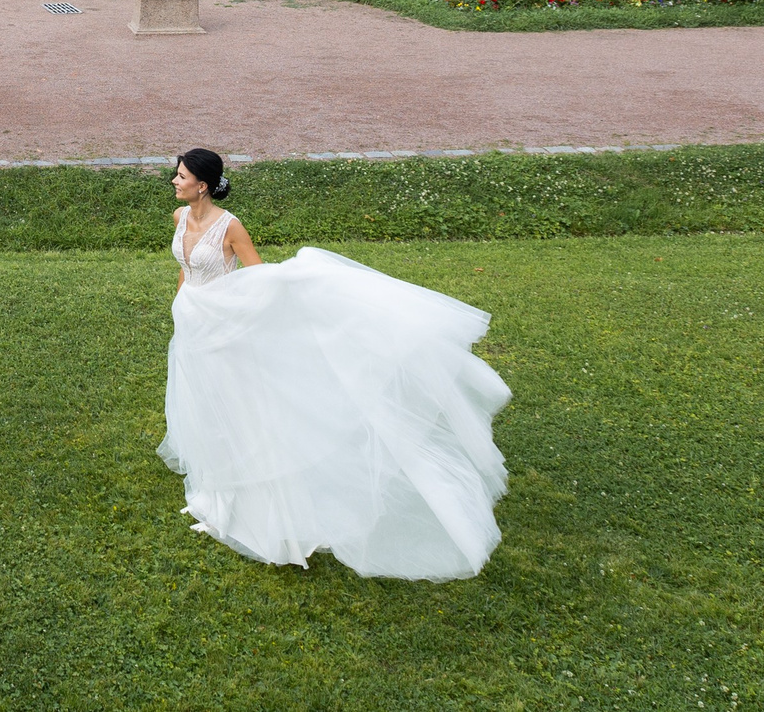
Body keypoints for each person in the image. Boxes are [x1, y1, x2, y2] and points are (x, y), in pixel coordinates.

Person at [159, 149, 511, 580]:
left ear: (204, 185)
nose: (174, 181)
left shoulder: (230, 227)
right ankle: (214, 493)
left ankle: (251, 505)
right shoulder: (179, 218)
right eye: (176, 175)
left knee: (239, 412)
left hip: (225, 331)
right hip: (193, 328)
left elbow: (260, 279)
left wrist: (256, 312)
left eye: (181, 176)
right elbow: (184, 271)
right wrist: (180, 307)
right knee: (205, 407)